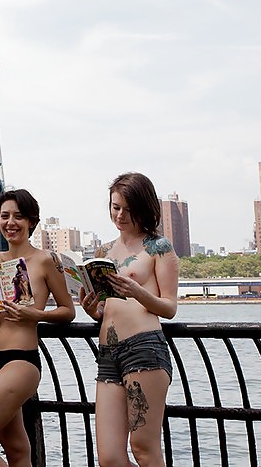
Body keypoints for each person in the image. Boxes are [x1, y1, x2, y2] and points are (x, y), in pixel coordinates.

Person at [0, 188, 75, 467]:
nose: (10, 222)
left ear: (32, 221)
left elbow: (67, 311)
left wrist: (33, 314)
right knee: (16, 447)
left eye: (18, 216)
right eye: (4, 216)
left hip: (20, 360)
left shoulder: (46, 260)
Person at [80, 172, 179, 467]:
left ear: (144, 206)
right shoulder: (104, 251)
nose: (120, 215)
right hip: (108, 354)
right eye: (115, 207)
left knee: (144, 449)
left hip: (144, 348)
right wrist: (91, 309)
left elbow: (169, 307)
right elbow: (105, 309)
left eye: (127, 208)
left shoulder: (159, 247)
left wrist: (137, 291)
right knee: (109, 456)